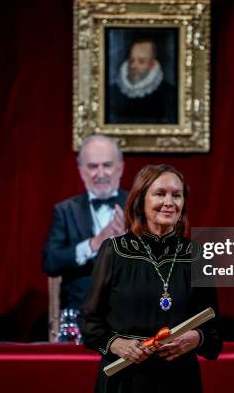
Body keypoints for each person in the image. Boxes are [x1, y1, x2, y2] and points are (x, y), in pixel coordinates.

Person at [79, 164, 222, 392]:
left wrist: (196, 338)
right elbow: (89, 321)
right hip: (125, 380)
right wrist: (116, 344)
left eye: (177, 195)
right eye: (160, 194)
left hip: (180, 380)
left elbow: (214, 329)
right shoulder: (114, 251)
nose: (169, 202)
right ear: (140, 200)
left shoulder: (197, 255)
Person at [43, 135, 127, 309]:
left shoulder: (140, 206)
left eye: (107, 165)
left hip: (131, 310)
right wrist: (93, 244)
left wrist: (130, 243)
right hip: (82, 312)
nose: (101, 174)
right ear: (81, 171)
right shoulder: (65, 210)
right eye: (93, 166)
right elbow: (50, 262)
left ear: (120, 168)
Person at [107, 39, 178, 124]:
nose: (133, 66)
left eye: (141, 61)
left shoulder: (169, 93)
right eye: (131, 61)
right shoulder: (112, 90)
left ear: (152, 65)